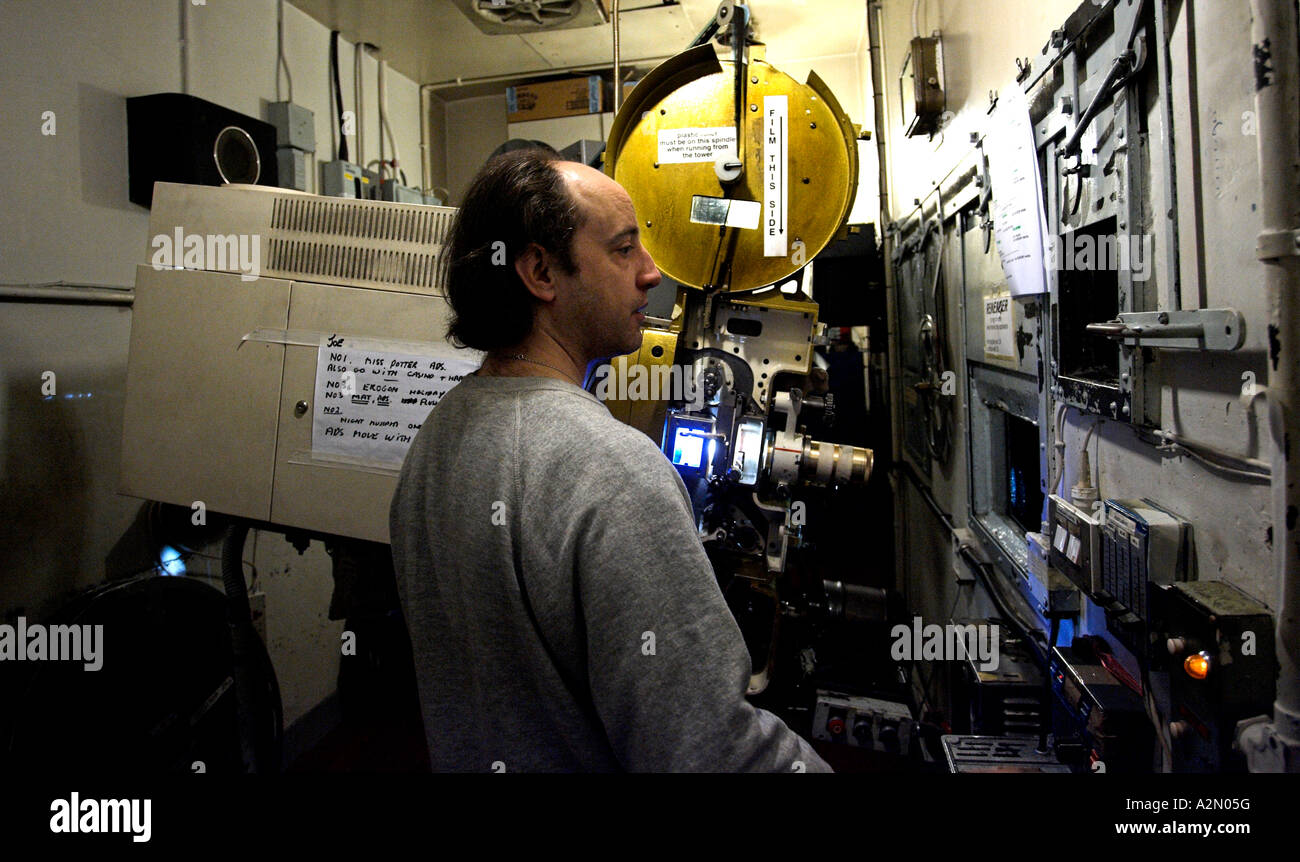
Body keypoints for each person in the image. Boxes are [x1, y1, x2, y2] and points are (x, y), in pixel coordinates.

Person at [389, 149, 830, 772]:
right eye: (624, 250)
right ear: (541, 272)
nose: (651, 274)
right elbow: (713, 751)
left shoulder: (436, 438)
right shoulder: (613, 470)